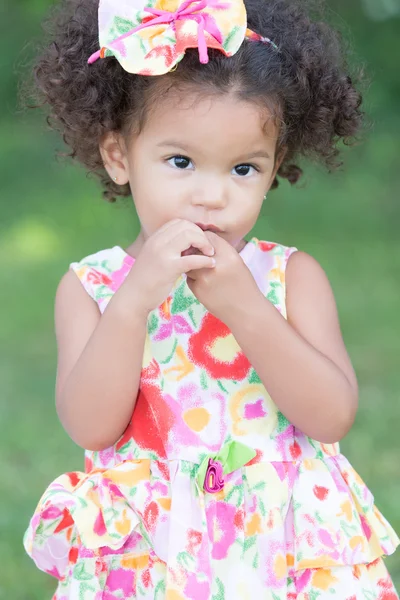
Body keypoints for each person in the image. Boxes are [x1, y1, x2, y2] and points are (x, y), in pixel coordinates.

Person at [23, 0, 399, 597]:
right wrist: (133, 303)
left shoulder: (290, 277)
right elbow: (92, 427)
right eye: (181, 162)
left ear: (275, 167)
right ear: (120, 156)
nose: (212, 196)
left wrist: (247, 308)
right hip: (156, 553)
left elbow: (331, 416)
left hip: (280, 548)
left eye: (243, 169)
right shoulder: (92, 288)